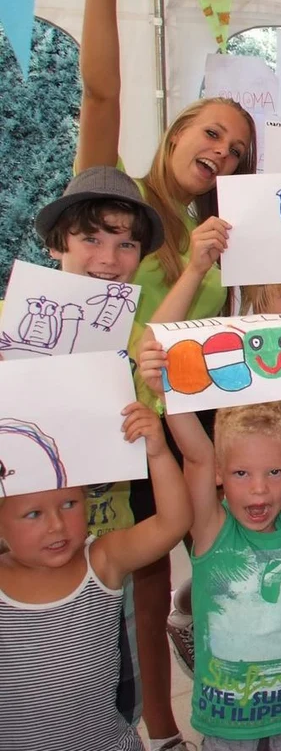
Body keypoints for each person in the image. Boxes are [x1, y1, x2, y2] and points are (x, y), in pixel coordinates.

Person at [69, 0, 257, 751]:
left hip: (192, 418)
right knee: (133, 579)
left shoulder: (223, 230)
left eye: (235, 151)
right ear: (180, 128)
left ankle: (191, 661)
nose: (220, 152)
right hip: (109, 419)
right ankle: (155, 726)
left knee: (201, 559)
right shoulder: (120, 202)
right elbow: (100, 101)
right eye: (212, 134)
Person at [138, 323, 281, 750]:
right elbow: (196, 454)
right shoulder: (210, 532)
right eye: (241, 473)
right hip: (228, 729)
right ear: (221, 475)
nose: (259, 489)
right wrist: (167, 388)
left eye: (275, 472)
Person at [0, 403, 187, 751]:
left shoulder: (101, 560)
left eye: (70, 504)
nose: (57, 525)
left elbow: (173, 523)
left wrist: (158, 453)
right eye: (34, 514)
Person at [10, 167, 164, 533]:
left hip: (108, 534)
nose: (109, 259)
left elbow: (140, 436)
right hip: (16, 538)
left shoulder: (142, 344)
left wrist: (154, 411)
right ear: (56, 243)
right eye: (91, 240)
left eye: (126, 244)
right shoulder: (8, 320)